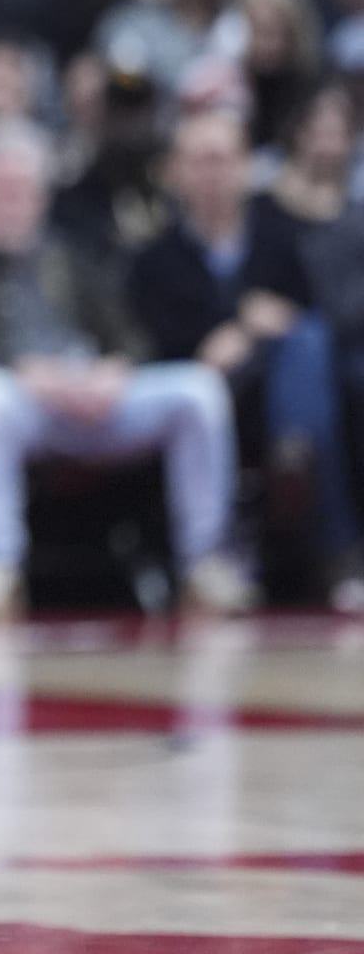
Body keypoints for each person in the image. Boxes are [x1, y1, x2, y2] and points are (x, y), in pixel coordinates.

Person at [0, 118, 251, 624]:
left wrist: (114, 370)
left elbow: (131, 336)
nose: (9, 204)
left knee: (198, 391)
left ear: (40, 198)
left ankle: (206, 563)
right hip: (21, 408)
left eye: (20, 191)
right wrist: (21, 371)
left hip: (94, 400)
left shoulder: (73, 260)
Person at [129, 107, 364, 606]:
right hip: (198, 390)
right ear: (175, 171)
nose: (212, 174)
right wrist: (235, 325)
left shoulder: (282, 236)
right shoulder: (154, 258)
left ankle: (294, 459)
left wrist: (256, 330)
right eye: (199, 161)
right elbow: (151, 344)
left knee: (308, 342)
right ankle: (329, 540)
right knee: (296, 359)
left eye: (222, 159)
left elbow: (311, 310)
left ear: (244, 166)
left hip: (281, 385)